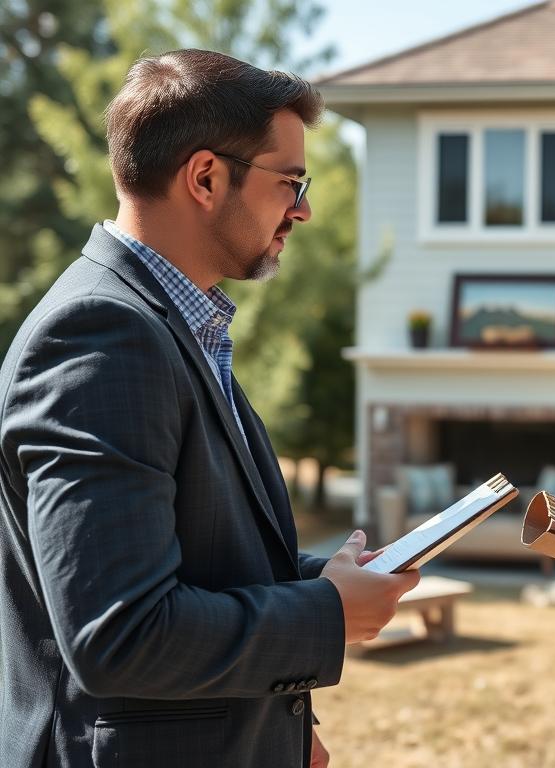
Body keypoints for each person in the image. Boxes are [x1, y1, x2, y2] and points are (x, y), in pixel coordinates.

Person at [0, 49, 419, 768]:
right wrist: (329, 613)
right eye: (291, 181)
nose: (305, 208)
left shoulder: (172, 324)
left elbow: (195, 554)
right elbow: (120, 632)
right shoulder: (103, 336)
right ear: (204, 177)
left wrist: (315, 581)